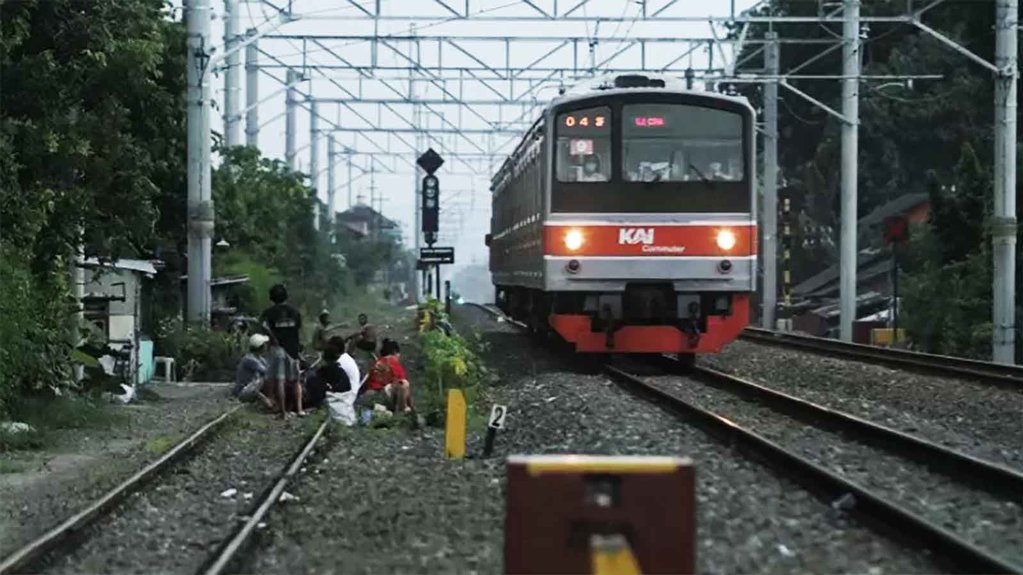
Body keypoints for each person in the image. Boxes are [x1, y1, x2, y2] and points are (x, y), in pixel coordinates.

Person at [260, 284, 305, 418]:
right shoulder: (295, 312)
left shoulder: (268, 313)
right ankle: (299, 409)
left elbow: (262, 327)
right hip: (293, 349)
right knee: (296, 381)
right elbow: (299, 330)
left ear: (272, 298)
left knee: (280, 380)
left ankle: (283, 411)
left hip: (277, 349)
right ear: (286, 296)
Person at [356, 338, 412, 415]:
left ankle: (381, 410)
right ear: (395, 352)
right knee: (404, 384)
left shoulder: (376, 363)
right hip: (381, 395)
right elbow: (403, 386)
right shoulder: (394, 363)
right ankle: (400, 412)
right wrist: (408, 405)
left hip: (369, 396)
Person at [233, 334, 274, 409]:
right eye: (264, 345)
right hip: (243, 391)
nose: (266, 346)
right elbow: (267, 372)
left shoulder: (259, 358)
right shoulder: (250, 359)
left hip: (251, 387)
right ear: (260, 347)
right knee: (266, 379)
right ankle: (268, 402)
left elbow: (269, 367)